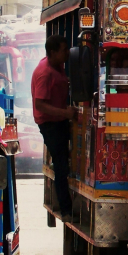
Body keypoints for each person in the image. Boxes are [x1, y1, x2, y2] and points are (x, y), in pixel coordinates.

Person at [32, 35, 77, 221]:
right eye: (64, 50)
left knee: (65, 161)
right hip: (50, 123)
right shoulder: (45, 72)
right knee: (60, 165)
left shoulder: (57, 65)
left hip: (59, 120)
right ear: (53, 52)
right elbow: (40, 104)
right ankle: (66, 210)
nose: (67, 53)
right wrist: (64, 113)